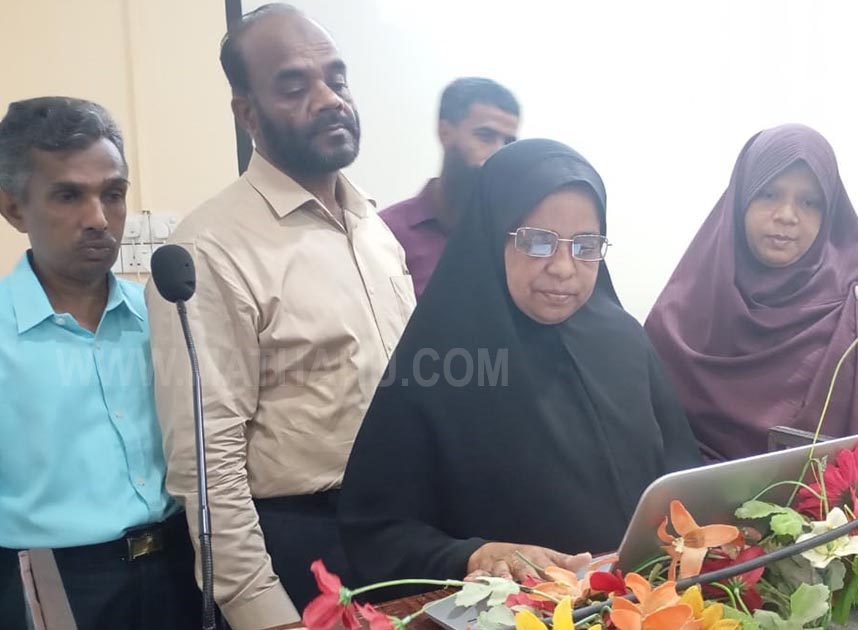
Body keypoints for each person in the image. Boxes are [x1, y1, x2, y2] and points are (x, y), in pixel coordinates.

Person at [146, 4, 415, 628]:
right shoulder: (210, 249)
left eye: (338, 79)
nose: (330, 99)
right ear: (247, 113)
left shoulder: (374, 229)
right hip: (303, 546)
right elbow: (207, 463)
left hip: (403, 531)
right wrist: (261, 611)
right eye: (295, 86)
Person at [339, 139, 701, 595]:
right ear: (493, 237)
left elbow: (679, 473)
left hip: (648, 600)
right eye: (537, 241)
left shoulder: (624, 340)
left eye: (586, 245)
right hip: (508, 611)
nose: (564, 267)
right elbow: (377, 530)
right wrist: (475, 554)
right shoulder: (440, 361)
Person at [645, 124, 858, 462]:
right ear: (741, 199)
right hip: (693, 493)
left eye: (809, 202)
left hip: (840, 495)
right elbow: (645, 432)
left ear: (830, 213)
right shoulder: (681, 311)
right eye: (768, 194)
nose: (786, 216)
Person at [0, 97, 200, 629]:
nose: (98, 219)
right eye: (68, 195)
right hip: (56, 583)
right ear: (14, 208)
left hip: (181, 567)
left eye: (113, 194)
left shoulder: (166, 316)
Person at [379, 77, 519, 298]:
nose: (498, 153)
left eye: (509, 143)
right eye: (485, 136)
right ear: (445, 132)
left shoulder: (517, 238)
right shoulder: (386, 235)